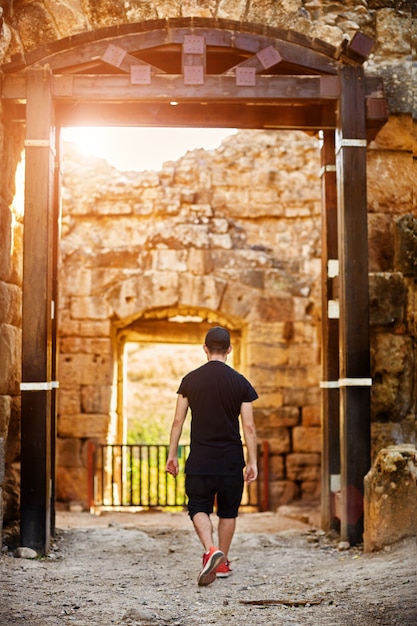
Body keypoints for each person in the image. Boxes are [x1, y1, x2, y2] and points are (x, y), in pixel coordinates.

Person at [166, 326, 258, 586]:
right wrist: (252, 461)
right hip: (231, 460)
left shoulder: (190, 380)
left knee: (198, 507)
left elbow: (177, 421)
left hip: (201, 459)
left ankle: (210, 549)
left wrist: (172, 455)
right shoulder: (241, 383)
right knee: (228, 512)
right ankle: (223, 562)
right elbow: (249, 426)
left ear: (205, 349)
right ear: (229, 349)